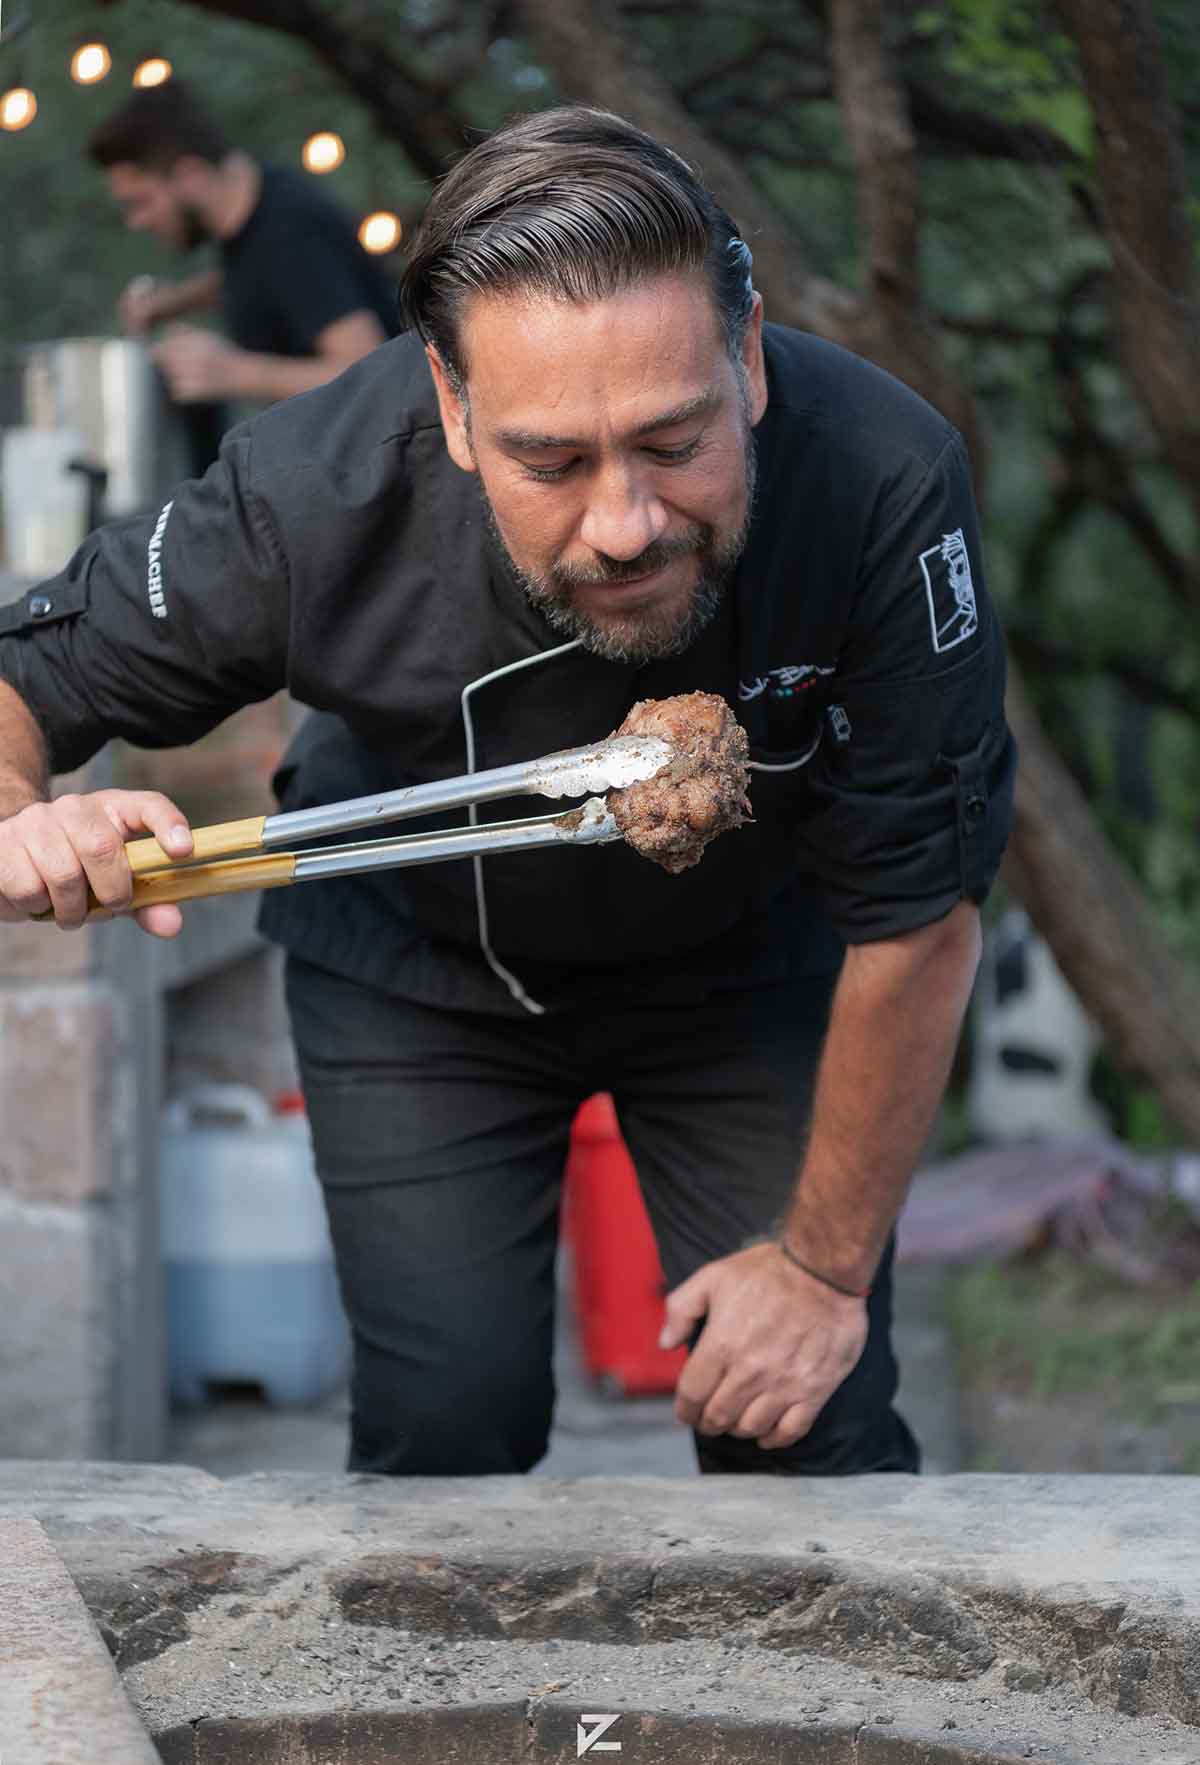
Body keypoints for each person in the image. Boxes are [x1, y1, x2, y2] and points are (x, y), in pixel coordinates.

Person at [0, 106, 1015, 1479]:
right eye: (553, 461)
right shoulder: (314, 492)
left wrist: (826, 1278)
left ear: (752, 360)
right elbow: (24, 686)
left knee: (809, 1415)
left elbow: (918, 915)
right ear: (455, 412)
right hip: (416, 970)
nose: (625, 524)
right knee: (447, 1433)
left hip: (749, 970)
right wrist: (22, 815)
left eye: (674, 442)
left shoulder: (883, 483)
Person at [88, 80, 399, 406]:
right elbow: (262, 277)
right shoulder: (255, 208)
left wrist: (231, 372)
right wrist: (174, 301)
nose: (136, 222)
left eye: (141, 202)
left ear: (189, 175)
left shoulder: (292, 233)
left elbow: (372, 376)